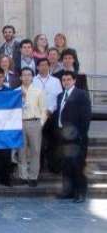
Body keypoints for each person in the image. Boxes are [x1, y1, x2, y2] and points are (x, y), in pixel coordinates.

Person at [53, 71, 91, 203]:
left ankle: (80, 193)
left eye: (69, 79)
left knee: (78, 166)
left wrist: (80, 135)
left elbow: (86, 117)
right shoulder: (60, 96)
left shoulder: (81, 95)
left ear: (74, 81)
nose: (66, 82)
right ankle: (68, 191)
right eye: (64, 80)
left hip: (76, 139)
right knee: (66, 166)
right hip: (63, 139)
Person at [18, 67, 47, 187]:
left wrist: (40, 124)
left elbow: (44, 109)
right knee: (21, 151)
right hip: (20, 123)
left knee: (35, 151)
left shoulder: (38, 91)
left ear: (32, 77)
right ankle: (23, 176)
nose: (26, 77)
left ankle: (33, 176)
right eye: (24, 75)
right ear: (20, 77)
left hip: (34, 122)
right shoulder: (16, 91)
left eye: (29, 75)